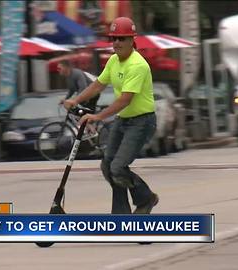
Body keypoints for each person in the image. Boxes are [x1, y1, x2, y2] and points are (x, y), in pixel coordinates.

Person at [63, 17, 159, 214]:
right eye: (113, 38)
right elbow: (98, 85)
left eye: (122, 39)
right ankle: (121, 214)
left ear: (132, 40)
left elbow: (125, 99)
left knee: (118, 167)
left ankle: (146, 198)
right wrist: (76, 100)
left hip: (142, 122)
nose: (116, 43)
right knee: (107, 165)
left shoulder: (137, 65)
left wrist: (97, 117)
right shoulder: (114, 61)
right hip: (123, 120)